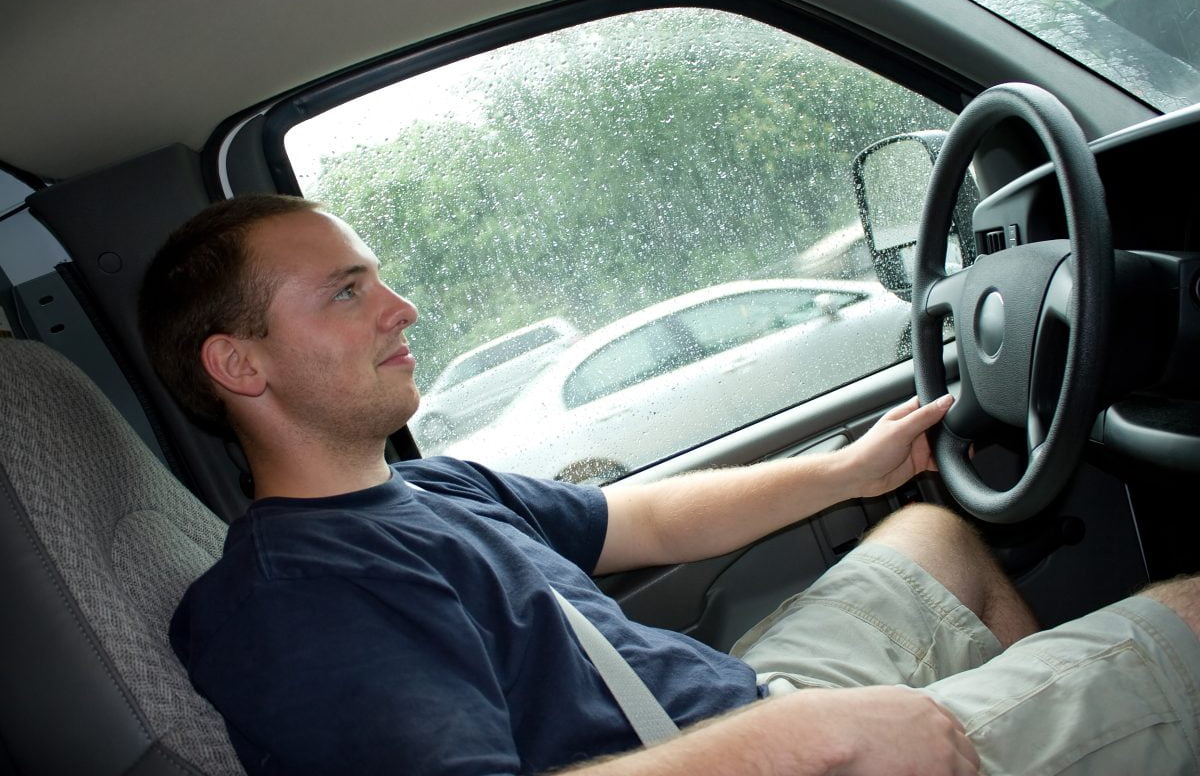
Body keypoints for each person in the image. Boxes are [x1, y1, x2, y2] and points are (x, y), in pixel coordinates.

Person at [139, 194, 1200, 776]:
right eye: (348, 289)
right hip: (740, 750)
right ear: (241, 364)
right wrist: (799, 738)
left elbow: (639, 516)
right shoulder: (299, 596)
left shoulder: (431, 491)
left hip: (719, 714)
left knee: (935, 537)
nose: (403, 307)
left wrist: (851, 467)